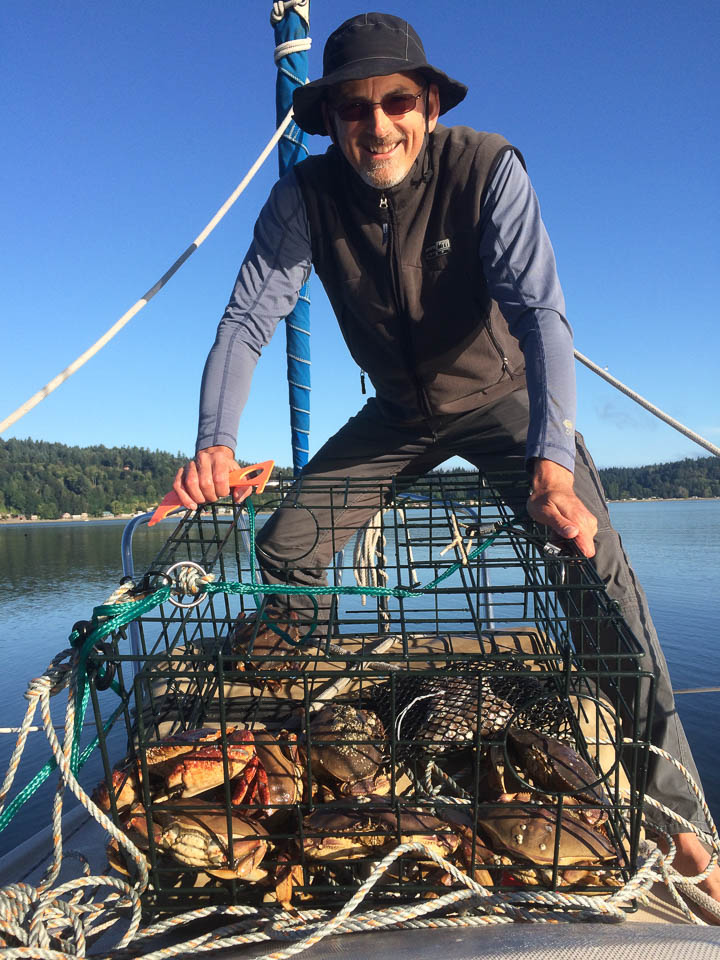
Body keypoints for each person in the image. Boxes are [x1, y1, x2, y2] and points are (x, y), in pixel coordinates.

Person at [173, 12, 719, 913]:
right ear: (332, 119)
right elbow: (248, 318)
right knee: (287, 546)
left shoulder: (485, 168)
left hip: (500, 396)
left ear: (427, 105)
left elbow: (543, 318)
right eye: (354, 109)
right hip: (395, 415)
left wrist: (550, 464)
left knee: (592, 561)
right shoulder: (304, 198)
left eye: (395, 102)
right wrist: (213, 446)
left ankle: (677, 814)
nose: (376, 126)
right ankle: (294, 704)